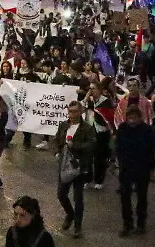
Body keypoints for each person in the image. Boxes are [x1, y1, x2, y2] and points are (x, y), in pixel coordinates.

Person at [113, 105, 155, 236]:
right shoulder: (122, 128)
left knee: (142, 197)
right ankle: (127, 224)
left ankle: (141, 224)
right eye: (129, 117)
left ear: (140, 117)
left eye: (134, 117)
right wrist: (112, 161)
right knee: (125, 197)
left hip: (143, 168)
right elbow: (116, 146)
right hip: (126, 168)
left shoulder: (148, 130)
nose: (132, 120)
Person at [54, 101, 95, 238]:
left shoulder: (87, 128)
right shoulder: (63, 125)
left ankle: (78, 226)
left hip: (79, 167)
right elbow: (56, 141)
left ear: (81, 112)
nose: (72, 115)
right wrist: (56, 152)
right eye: (70, 111)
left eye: (75, 112)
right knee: (61, 194)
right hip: (65, 165)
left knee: (78, 198)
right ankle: (69, 214)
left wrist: (74, 145)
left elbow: (91, 145)